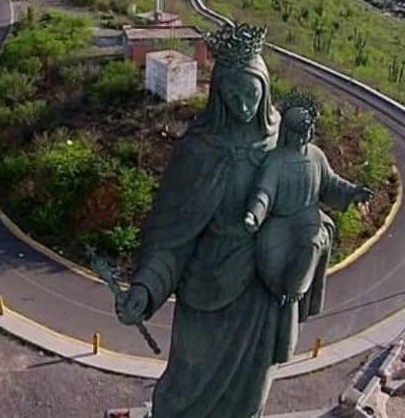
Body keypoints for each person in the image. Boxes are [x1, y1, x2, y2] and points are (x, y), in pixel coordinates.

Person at [115, 23, 312, 418]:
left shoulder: (283, 149)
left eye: (251, 93)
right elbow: (170, 236)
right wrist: (147, 287)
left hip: (260, 296)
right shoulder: (198, 150)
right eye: (232, 93)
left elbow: (306, 213)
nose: (242, 105)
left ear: (265, 90)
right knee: (183, 394)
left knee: (248, 401)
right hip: (206, 294)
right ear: (218, 94)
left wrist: (308, 247)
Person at [244, 90, 373, 360]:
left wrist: (353, 192)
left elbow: (331, 183)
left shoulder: (315, 157)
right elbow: (263, 193)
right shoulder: (275, 161)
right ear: (289, 132)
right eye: (301, 130)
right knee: (274, 259)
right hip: (278, 226)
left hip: (307, 221)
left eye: (309, 130)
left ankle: (295, 295)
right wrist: (254, 215)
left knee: (314, 242)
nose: (306, 135)